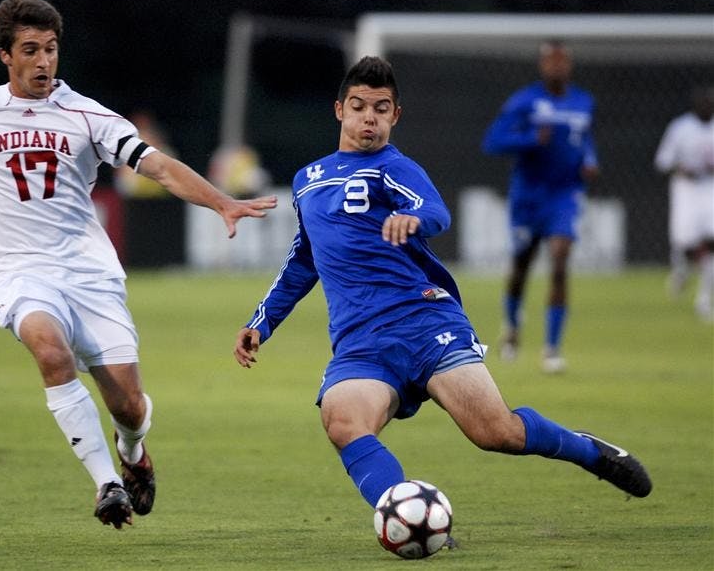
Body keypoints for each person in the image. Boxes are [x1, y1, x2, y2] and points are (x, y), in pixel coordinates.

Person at [233, 56, 651, 525]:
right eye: (359, 106)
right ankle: (408, 519)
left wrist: (415, 219)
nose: (369, 117)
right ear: (339, 111)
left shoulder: (395, 168)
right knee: (343, 421)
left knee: (495, 432)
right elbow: (304, 259)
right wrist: (260, 323)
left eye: (381, 108)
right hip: (360, 342)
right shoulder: (307, 182)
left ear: (395, 116)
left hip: (425, 322)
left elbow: (435, 211)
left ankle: (589, 451)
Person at [0, 0, 277, 530]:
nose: (44, 62)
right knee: (49, 349)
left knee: (129, 407)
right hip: (21, 272)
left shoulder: (88, 115)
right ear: (5, 56)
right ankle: (106, 484)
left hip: (90, 273)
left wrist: (221, 200)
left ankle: (133, 454)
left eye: (51, 49)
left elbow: (157, 167)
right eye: (31, 50)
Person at [481, 40, 599, 373]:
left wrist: (590, 160)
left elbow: (585, 140)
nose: (557, 67)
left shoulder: (583, 102)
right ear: (542, 66)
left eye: (563, 61)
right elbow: (492, 141)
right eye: (552, 61)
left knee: (560, 260)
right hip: (529, 197)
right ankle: (512, 326)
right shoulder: (524, 102)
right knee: (521, 266)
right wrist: (531, 139)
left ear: (569, 65)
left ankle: (551, 348)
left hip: (565, 195)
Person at [653, 85, 714, 322]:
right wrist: (682, 168)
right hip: (685, 189)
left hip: (710, 188)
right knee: (686, 245)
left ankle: (703, 299)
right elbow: (662, 161)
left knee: (710, 243)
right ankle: (682, 270)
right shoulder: (681, 127)